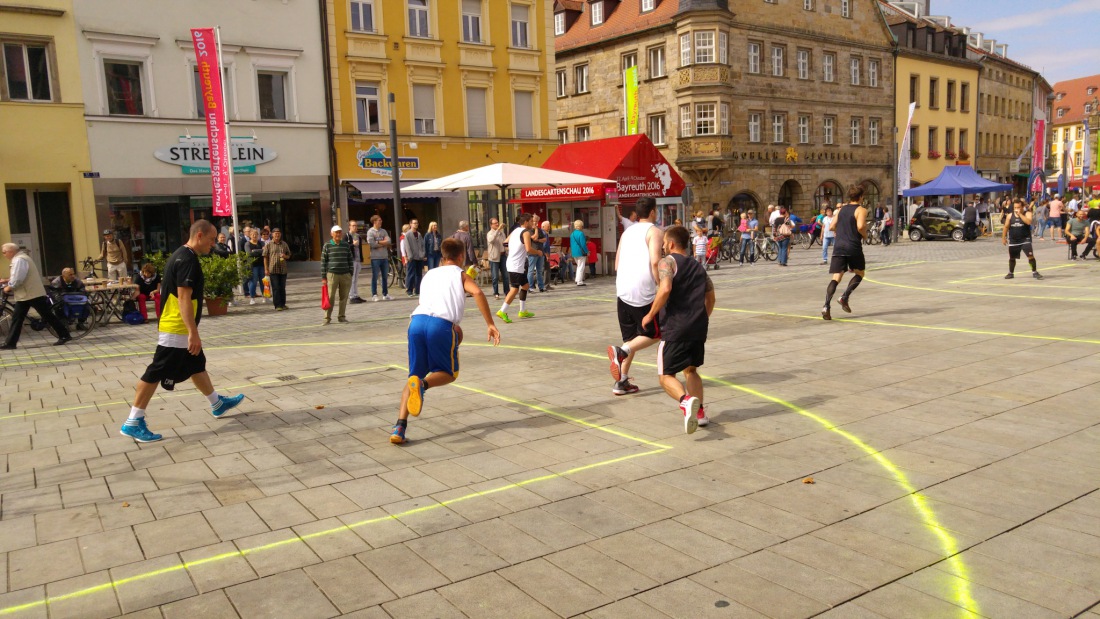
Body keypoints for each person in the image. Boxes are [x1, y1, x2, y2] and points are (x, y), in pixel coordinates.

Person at [119, 221, 244, 442]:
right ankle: (133, 420)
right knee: (156, 371)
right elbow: (184, 297)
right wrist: (192, 332)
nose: (213, 244)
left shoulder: (181, 254)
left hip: (177, 324)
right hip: (176, 326)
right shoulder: (187, 260)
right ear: (199, 235)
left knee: (196, 363)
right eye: (212, 239)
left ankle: (217, 403)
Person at [390, 238, 501, 444]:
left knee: (412, 377)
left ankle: (399, 428)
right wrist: (490, 323)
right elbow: (477, 292)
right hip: (439, 325)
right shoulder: (459, 274)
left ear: (442, 256)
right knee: (449, 374)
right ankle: (422, 384)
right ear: (461, 257)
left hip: (416, 323)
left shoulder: (430, 273)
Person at [640, 225, 715, 434]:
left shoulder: (668, 262)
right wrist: (702, 317)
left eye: (664, 243)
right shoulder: (699, 267)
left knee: (665, 376)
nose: (663, 246)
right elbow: (711, 297)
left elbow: (665, 289)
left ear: (671, 243)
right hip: (698, 328)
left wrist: (650, 314)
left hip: (675, 327)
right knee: (691, 370)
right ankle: (699, 413)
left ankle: (685, 401)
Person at [607, 196, 663, 396]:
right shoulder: (654, 231)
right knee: (656, 333)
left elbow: (616, 263)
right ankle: (621, 352)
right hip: (642, 291)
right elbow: (656, 261)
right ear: (653, 212)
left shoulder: (627, 232)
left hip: (622, 290)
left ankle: (621, 382)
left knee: (631, 339)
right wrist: (661, 284)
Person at [1, 244, 71, 349]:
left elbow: (18, 278)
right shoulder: (20, 258)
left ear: (11, 251)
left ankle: (64, 334)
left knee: (46, 315)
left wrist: (8, 287)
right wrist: (7, 280)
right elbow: (20, 275)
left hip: (30, 293)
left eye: (4, 252)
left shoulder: (19, 260)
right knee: (17, 318)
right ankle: (10, 343)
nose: (3, 254)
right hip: (26, 294)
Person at [822, 185, 868, 320]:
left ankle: (826, 306)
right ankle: (844, 297)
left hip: (839, 246)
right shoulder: (861, 209)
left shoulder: (841, 210)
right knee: (860, 273)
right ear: (860, 197)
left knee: (836, 277)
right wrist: (864, 234)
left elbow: (831, 226)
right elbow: (860, 226)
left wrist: (841, 230)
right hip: (852, 246)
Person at [496, 213, 541, 323]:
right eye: (531, 221)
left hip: (514, 263)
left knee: (525, 285)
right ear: (526, 222)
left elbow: (505, 242)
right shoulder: (525, 232)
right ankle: (502, 310)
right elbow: (529, 249)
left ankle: (522, 310)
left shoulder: (516, 231)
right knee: (515, 288)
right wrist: (538, 252)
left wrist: (514, 248)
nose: (532, 223)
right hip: (516, 265)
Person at [1002, 198, 1042, 279]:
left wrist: (1020, 214)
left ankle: (1034, 271)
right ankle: (1011, 272)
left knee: (1030, 256)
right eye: (1015, 208)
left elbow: (1028, 222)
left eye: (1018, 207)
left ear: (1022, 207)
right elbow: (1006, 226)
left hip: (1025, 239)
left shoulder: (1027, 213)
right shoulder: (1010, 216)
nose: (1016, 209)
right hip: (1014, 240)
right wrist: (1004, 237)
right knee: (1012, 257)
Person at [321, 225, 353, 324]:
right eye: (336, 232)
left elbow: (350, 259)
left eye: (339, 232)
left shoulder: (345, 245)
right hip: (332, 274)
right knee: (330, 297)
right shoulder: (327, 245)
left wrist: (350, 272)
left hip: (345, 274)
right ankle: (327, 318)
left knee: (344, 297)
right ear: (332, 234)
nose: (338, 234)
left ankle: (341, 317)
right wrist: (323, 277)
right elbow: (323, 262)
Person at [366, 215, 394, 302]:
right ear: (374, 222)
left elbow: (389, 241)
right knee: (375, 276)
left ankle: (385, 294)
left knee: (385, 276)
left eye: (381, 220)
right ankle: (374, 294)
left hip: (384, 257)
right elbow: (372, 244)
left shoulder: (384, 231)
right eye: (379, 220)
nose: (381, 222)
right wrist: (383, 243)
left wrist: (378, 242)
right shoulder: (370, 232)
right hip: (375, 258)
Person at [263, 228, 291, 311]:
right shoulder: (269, 244)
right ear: (272, 234)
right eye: (275, 233)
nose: (277, 235)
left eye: (278, 233)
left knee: (282, 287)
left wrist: (285, 256)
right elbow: (265, 257)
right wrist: (266, 269)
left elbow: (289, 255)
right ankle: (277, 305)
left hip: (283, 269)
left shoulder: (284, 244)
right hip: (273, 269)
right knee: (275, 288)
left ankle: (283, 304)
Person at [486, 217, 509, 299]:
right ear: (491, 225)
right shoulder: (490, 233)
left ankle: (507, 292)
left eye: (497, 222)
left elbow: (505, 243)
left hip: (503, 256)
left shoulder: (502, 233)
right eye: (495, 223)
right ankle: (496, 293)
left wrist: (507, 250)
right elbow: (491, 240)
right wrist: (497, 230)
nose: (497, 224)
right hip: (494, 257)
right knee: (495, 276)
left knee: (505, 275)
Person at [402, 219, 426, 297]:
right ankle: (409, 290)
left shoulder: (418, 234)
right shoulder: (408, 235)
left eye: (417, 223)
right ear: (410, 224)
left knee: (419, 274)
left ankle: (417, 290)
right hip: (412, 258)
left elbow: (422, 245)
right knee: (410, 274)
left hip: (419, 257)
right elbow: (407, 246)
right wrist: (409, 256)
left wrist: (423, 254)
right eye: (414, 223)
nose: (416, 224)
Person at [527, 217, 548, 293]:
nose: (535, 223)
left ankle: (541, 286)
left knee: (540, 270)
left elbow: (544, 239)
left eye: (537, 222)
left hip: (540, 252)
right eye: (534, 221)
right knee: (531, 270)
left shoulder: (540, 230)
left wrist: (539, 240)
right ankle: (531, 286)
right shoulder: (529, 230)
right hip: (532, 252)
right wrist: (536, 230)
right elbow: (534, 238)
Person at [245, 229, 265, 305]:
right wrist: (259, 251)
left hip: (262, 264)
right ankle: (252, 297)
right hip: (253, 265)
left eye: (256, 234)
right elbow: (249, 254)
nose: (254, 236)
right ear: (250, 236)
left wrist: (255, 251)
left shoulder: (261, 242)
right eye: (253, 235)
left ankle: (265, 296)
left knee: (263, 281)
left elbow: (265, 251)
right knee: (253, 281)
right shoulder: (247, 244)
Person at [347, 220, 365, 304]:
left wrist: (361, 258)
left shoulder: (358, 236)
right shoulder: (347, 236)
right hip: (351, 260)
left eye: (356, 226)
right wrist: (352, 244)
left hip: (358, 260)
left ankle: (356, 295)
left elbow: (360, 249)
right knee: (352, 278)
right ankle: (351, 296)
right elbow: (345, 247)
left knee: (356, 279)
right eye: (353, 225)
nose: (355, 227)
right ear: (349, 227)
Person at [570, 219, 589, 286]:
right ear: (580, 226)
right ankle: (579, 281)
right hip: (581, 252)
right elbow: (583, 244)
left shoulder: (572, 234)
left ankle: (577, 279)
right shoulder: (581, 234)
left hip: (574, 253)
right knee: (581, 267)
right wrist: (587, 251)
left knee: (578, 266)